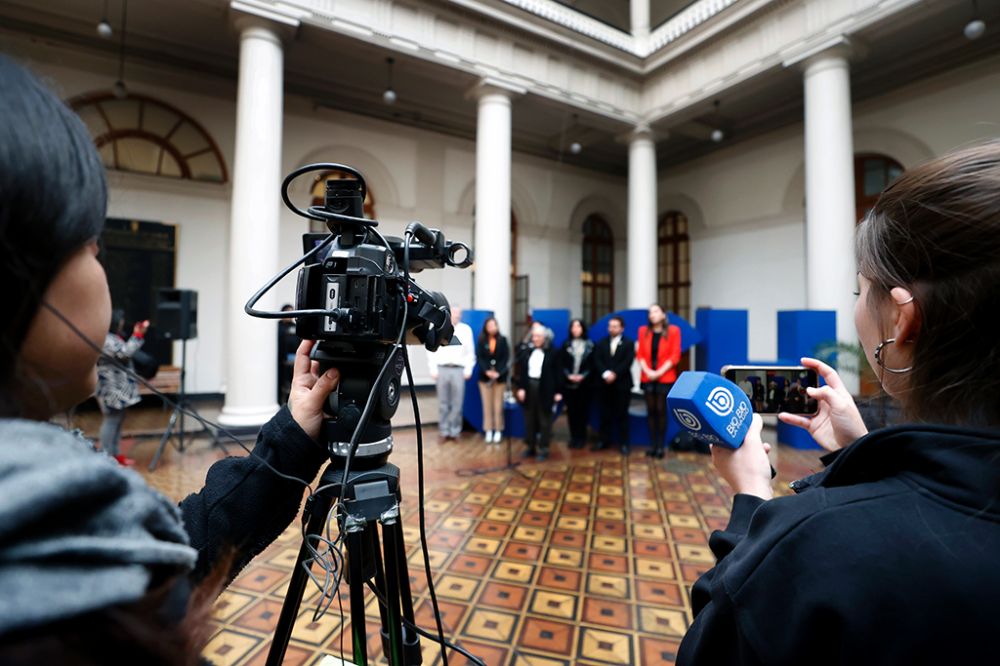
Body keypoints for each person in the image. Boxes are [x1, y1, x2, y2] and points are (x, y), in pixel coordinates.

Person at [0, 55, 341, 663]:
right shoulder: (61, 617)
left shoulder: (85, 527)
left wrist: (290, 437)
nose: (99, 268)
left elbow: (180, 552)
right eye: (88, 244)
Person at [677, 142, 1000, 664]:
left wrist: (753, 496)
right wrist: (862, 451)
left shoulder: (816, 542)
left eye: (859, 291)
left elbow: (717, 644)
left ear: (903, 319)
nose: (856, 307)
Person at [95, 310, 149, 465]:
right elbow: (125, 353)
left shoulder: (112, 337)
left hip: (119, 388)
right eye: (120, 320)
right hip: (110, 388)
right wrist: (138, 334)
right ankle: (106, 456)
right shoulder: (106, 339)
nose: (122, 323)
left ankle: (115, 454)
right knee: (111, 419)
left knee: (118, 419)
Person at [635, 304, 681, 459]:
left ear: (663, 315)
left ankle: (661, 446)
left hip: (665, 377)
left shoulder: (674, 331)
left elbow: (675, 356)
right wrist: (648, 371)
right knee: (651, 411)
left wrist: (658, 373)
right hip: (647, 376)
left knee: (661, 411)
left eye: (655, 311)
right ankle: (653, 445)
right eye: (650, 312)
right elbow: (640, 354)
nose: (652, 315)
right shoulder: (643, 331)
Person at [514, 323, 562, 461]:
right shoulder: (527, 351)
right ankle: (530, 446)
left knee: (544, 419)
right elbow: (523, 372)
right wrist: (521, 388)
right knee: (529, 418)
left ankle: (544, 448)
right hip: (529, 387)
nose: (535, 339)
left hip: (546, 388)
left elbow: (558, 373)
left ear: (545, 338)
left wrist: (558, 391)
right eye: (534, 336)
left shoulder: (553, 352)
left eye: (538, 336)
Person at [426, 305, 474, 441]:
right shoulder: (440, 328)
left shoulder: (466, 330)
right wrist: (433, 369)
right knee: (443, 403)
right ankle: (444, 431)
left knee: (457, 403)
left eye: (458, 313)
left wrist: (468, 369)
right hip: (442, 369)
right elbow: (431, 350)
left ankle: (455, 431)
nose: (456, 316)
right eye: (453, 313)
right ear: (448, 313)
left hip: (458, 370)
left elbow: (470, 352)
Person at [593, 316, 635, 455]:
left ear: (622, 328)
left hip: (622, 384)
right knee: (604, 414)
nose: (612, 328)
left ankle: (624, 444)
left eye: (615, 326)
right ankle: (603, 440)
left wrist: (614, 373)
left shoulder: (628, 343)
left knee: (622, 414)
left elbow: (627, 361)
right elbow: (597, 359)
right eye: (610, 326)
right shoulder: (602, 342)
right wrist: (605, 373)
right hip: (604, 384)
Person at [559, 318, 595, 449]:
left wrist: (582, 376)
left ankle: (581, 437)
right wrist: (568, 375)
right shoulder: (566, 344)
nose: (575, 329)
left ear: (583, 328)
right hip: (569, 384)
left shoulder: (590, 345)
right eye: (573, 327)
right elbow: (561, 363)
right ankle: (573, 437)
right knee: (571, 412)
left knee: (582, 412)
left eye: (578, 326)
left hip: (584, 385)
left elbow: (592, 365)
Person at [475, 316, 509, 444]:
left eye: (493, 325)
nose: (491, 327)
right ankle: (488, 430)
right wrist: (487, 371)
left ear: (497, 326)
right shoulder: (481, 340)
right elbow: (479, 357)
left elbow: (506, 357)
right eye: (489, 325)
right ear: (486, 327)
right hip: (485, 378)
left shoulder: (503, 340)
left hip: (499, 378)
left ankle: (498, 430)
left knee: (498, 405)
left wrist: (498, 372)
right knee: (487, 405)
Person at [277, 303, 298, 405]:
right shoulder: (278, 327)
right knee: (280, 382)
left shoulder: (295, 327)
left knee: (292, 383)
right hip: (280, 361)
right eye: (288, 312)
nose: (290, 315)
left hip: (294, 361)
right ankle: (278, 401)